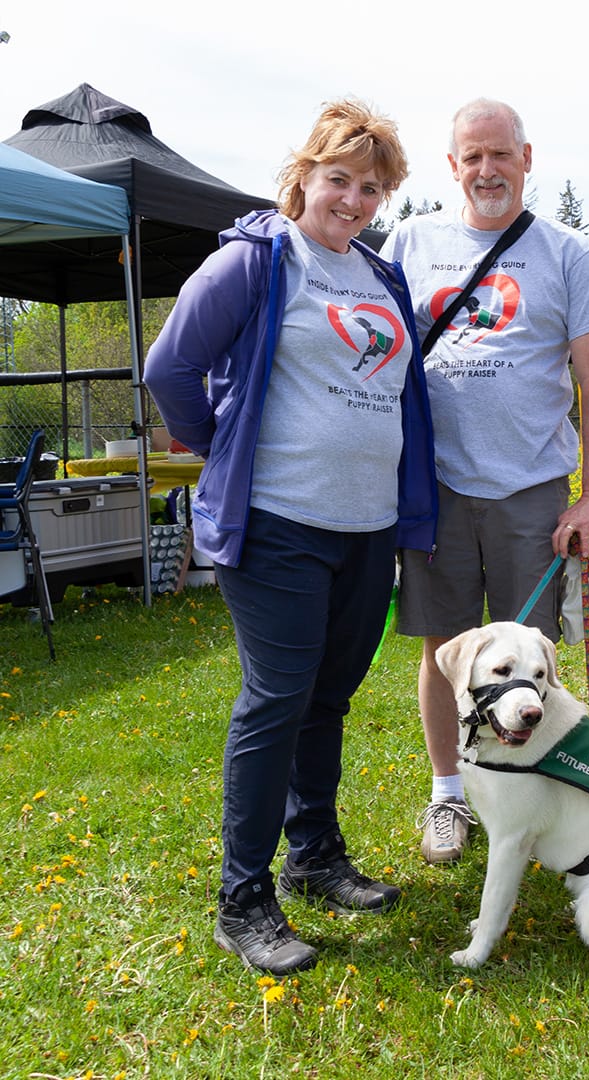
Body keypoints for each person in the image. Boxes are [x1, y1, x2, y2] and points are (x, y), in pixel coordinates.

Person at [144, 99, 437, 975]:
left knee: (328, 698)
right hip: (278, 524)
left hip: (366, 526)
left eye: (371, 187)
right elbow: (170, 368)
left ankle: (313, 856)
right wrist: (218, 441)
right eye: (339, 179)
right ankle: (244, 897)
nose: (352, 199)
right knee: (276, 700)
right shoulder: (257, 259)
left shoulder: (381, 278)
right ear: (303, 174)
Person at [380, 97, 589, 864]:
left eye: (500, 154)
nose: (486, 169)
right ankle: (449, 796)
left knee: (534, 653)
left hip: (531, 492)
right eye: (471, 157)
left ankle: (537, 793)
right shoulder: (409, 241)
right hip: (437, 490)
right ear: (452, 166)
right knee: (445, 649)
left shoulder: (567, 255)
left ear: (527, 158)